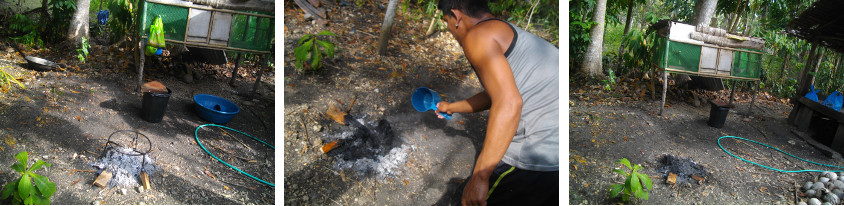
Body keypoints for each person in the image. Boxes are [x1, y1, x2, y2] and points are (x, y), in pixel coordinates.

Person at [434, 0, 559, 205]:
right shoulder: (507, 32)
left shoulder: (477, 36)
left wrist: (480, 177)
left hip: (534, 158)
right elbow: (496, 95)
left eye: (446, 21)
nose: (448, 29)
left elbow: (509, 102)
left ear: (456, 17)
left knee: (467, 200)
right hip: (557, 159)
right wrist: (451, 107)